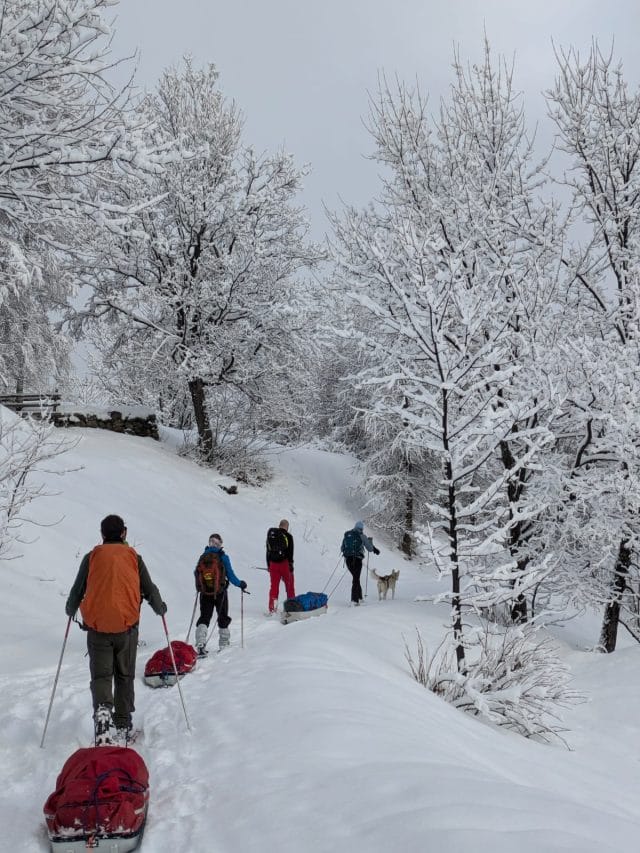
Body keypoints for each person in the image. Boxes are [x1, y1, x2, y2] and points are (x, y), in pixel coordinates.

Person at [65, 514, 167, 746]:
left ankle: (102, 713)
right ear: (124, 533)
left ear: (102, 534)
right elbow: (149, 588)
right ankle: (122, 724)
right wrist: (160, 608)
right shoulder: (134, 558)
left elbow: (78, 588)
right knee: (124, 675)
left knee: (101, 676)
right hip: (127, 629)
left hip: (98, 629)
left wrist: (70, 609)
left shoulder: (91, 558)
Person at [194, 534, 247, 655]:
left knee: (204, 617)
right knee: (222, 616)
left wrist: (199, 587)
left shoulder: (203, 556)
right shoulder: (223, 557)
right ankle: (224, 644)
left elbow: (196, 573)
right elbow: (231, 575)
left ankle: (200, 643)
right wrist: (240, 584)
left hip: (205, 593)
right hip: (220, 593)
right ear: (219, 544)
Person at [341, 520, 380, 606]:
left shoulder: (347, 535)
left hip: (348, 560)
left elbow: (342, 548)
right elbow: (369, 548)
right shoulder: (362, 536)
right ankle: (354, 600)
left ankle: (360, 598)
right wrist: (372, 544)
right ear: (361, 528)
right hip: (357, 560)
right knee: (356, 579)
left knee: (356, 578)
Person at [265, 519, 295, 615]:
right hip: (285, 564)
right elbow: (290, 553)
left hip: (273, 564)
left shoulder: (271, 536)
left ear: (279, 525)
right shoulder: (289, 536)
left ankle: (272, 609)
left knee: (274, 587)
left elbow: (268, 552)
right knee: (289, 586)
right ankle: (291, 608)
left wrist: (269, 565)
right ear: (287, 527)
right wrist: (291, 565)